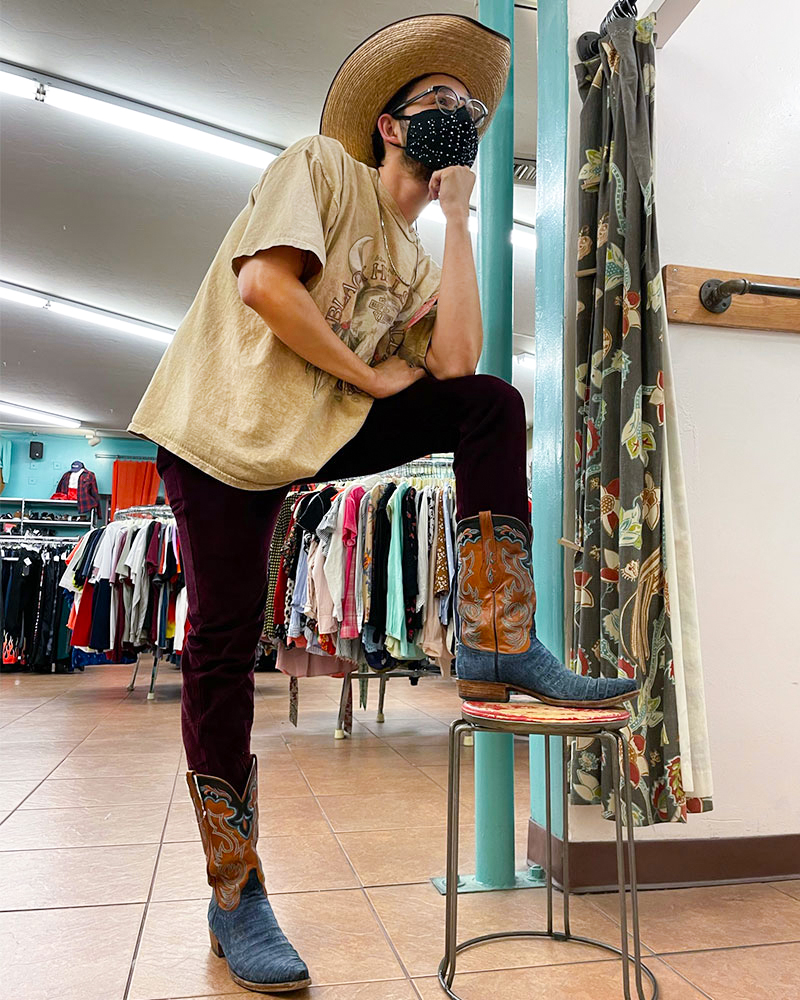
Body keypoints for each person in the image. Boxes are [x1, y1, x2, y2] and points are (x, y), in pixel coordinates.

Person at [129, 13, 637, 993]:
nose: (459, 113)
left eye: (470, 105)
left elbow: (452, 363)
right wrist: (365, 381)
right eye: (436, 101)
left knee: (488, 405)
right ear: (390, 126)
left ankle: (495, 634)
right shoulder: (319, 165)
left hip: (313, 432)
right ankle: (235, 892)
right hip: (221, 432)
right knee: (223, 649)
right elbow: (266, 287)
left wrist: (456, 221)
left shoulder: (411, 254)